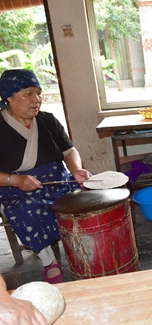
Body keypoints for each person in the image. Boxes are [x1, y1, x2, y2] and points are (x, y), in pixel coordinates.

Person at [0, 69, 91, 284]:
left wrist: (76, 170)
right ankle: (49, 261)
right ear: (9, 97)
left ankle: (86, 245)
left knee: (96, 189)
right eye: (28, 94)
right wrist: (15, 180)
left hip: (56, 180)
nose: (37, 100)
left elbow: (69, 151)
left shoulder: (48, 120)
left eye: (38, 93)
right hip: (15, 188)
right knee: (27, 210)